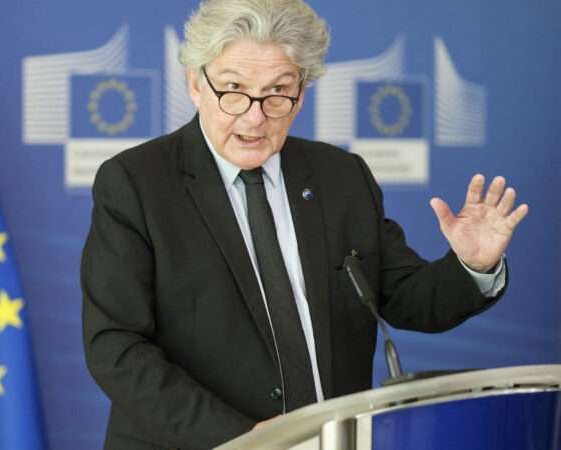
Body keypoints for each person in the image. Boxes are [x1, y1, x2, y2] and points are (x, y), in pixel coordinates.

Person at [80, 0, 529, 448]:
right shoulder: (137, 183)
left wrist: (472, 265)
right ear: (196, 83)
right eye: (233, 89)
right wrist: (242, 440)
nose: (255, 116)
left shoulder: (341, 177)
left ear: (302, 92)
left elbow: (407, 299)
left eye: (278, 92)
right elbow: (116, 347)